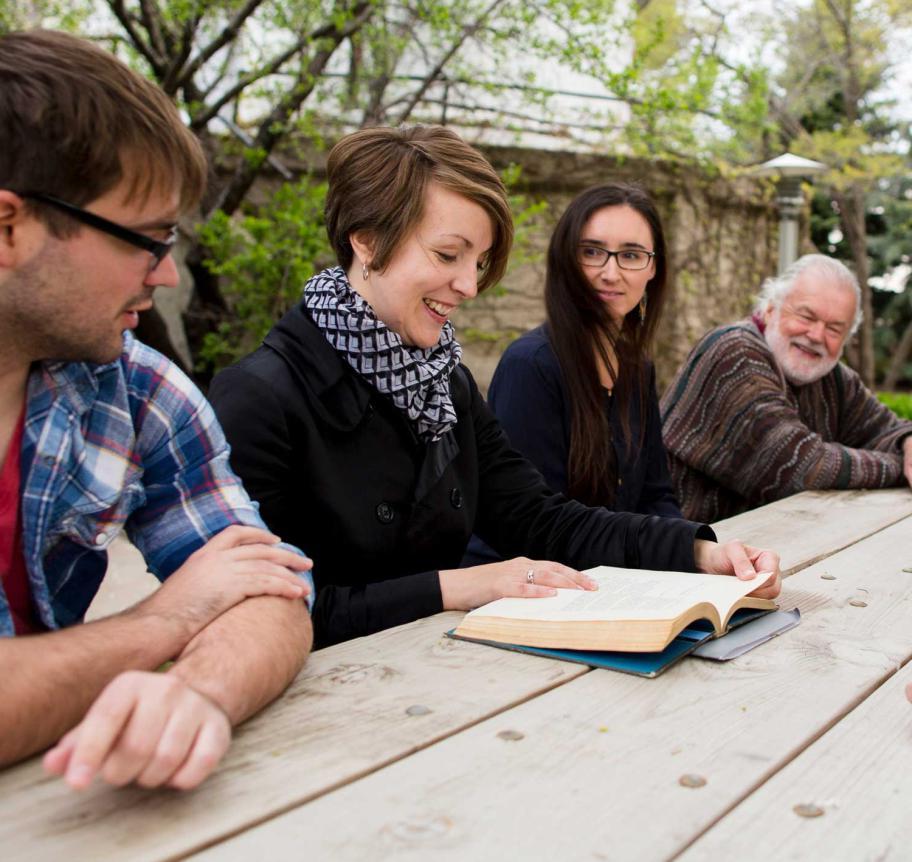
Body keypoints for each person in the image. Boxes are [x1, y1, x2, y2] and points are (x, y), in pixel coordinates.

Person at [209, 125, 781, 651]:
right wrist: (457, 587)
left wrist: (699, 551)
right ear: (366, 240)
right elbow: (275, 614)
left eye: (479, 262)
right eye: (447, 254)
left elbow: (542, 518)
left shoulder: (443, 381)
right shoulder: (259, 399)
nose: (468, 286)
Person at [0, 30, 315, 791]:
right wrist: (162, 624)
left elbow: (273, 590)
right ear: (8, 227)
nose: (170, 272)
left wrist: (198, 691)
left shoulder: (136, 390)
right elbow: (199, 598)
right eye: (145, 239)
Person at [464, 184, 680, 567]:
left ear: (653, 267)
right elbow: (536, 527)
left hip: (616, 578)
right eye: (592, 252)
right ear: (566, 259)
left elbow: (656, 496)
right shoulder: (531, 364)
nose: (609, 273)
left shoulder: (636, 366)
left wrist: (686, 558)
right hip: (524, 587)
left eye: (630, 255)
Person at [661, 254, 912, 523]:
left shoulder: (834, 379)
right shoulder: (735, 355)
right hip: (679, 550)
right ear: (770, 309)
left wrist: (907, 442)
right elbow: (798, 467)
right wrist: (901, 466)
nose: (816, 335)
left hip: (768, 546)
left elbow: (887, 429)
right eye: (806, 316)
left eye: (834, 329)